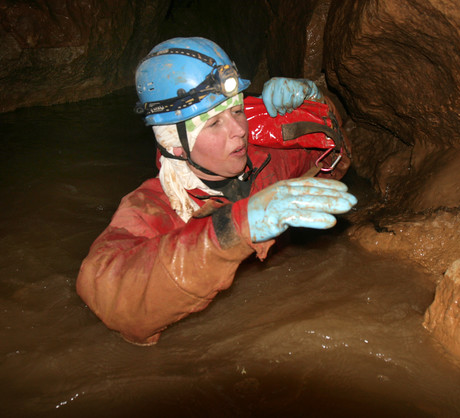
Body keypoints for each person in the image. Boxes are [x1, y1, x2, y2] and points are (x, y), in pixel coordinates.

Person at [76, 37, 356, 345]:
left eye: (237, 111)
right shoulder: (152, 207)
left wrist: (315, 104)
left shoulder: (264, 159)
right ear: (175, 144)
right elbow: (112, 299)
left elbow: (334, 163)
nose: (239, 129)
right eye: (213, 124)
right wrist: (234, 227)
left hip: (289, 317)